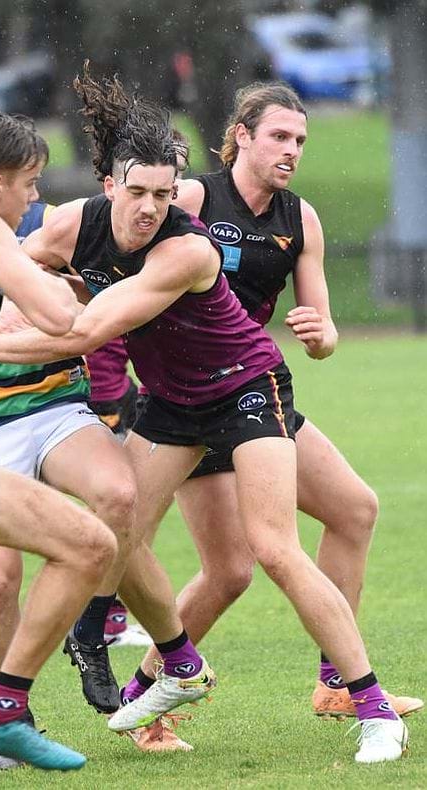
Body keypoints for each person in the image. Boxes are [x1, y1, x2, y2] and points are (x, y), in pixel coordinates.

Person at [0, 66, 407, 764]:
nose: (152, 207)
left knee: (272, 548)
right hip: (171, 405)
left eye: (161, 194)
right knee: (113, 536)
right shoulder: (74, 224)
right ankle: (130, 665)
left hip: (244, 388)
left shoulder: (186, 246)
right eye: (139, 192)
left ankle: (368, 704)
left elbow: (87, 331)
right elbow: (8, 279)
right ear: (110, 185)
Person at [127, 81, 420, 720]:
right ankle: (146, 699)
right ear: (242, 136)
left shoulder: (301, 219)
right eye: (279, 137)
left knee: (354, 510)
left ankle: (338, 686)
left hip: (251, 392)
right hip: (185, 402)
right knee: (230, 572)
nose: (292, 151)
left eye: (301, 141)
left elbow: (324, 330)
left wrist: (322, 335)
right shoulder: (196, 196)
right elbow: (130, 266)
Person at [0, 123, 187, 758]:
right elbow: (62, 320)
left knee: (88, 539)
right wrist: (76, 290)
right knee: (11, 576)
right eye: (29, 183)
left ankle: (7, 714)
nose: (35, 200)